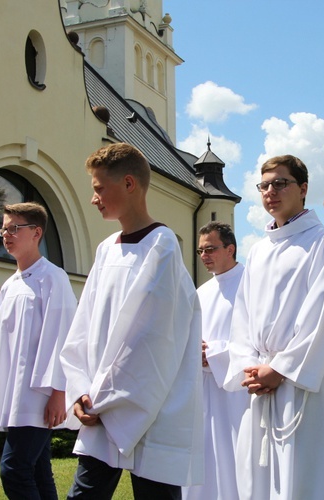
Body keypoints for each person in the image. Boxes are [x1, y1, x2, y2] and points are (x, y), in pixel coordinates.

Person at [60, 143, 202, 499]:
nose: (94, 198)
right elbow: (84, 325)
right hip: (100, 404)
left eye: (98, 188)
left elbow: (149, 340)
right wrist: (80, 388)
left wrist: (105, 400)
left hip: (148, 409)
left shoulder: (163, 247)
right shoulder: (106, 249)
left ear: (128, 184)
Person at [224, 156, 324, 499]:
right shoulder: (259, 250)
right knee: (260, 481)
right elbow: (243, 317)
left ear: (303, 189)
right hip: (264, 381)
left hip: (306, 380)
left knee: (307, 478)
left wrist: (280, 369)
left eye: (280, 183)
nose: (270, 192)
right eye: (264, 185)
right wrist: (251, 367)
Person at [0, 202, 77, 499]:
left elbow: (64, 337)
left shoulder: (53, 278)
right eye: (4, 228)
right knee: (37, 470)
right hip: (16, 391)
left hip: (39, 394)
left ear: (36, 233)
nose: (6, 234)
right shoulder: (9, 285)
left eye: (14, 228)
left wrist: (59, 392)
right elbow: (3, 339)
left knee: (14, 470)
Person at [183, 222, 249, 500]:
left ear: (230, 249)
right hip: (203, 390)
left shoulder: (252, 284)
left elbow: (258, 342)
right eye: (200, 250)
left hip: (238, 392)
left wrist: (213, 353)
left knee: (235, 459)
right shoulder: (201, 292)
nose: (204, 255)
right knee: (203, 461)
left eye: (210, 248)